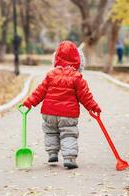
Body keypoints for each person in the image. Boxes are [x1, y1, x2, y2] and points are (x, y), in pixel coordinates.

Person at [22, 41, 101, 169]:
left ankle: (52, 153)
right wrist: (94, 107)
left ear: (56, 58)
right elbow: (85, 96)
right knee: (68, 133)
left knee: (50, 132)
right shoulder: (77, 77)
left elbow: (40, 91)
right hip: (68, 114)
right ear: (78, 60)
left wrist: (29, 102)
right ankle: (69, 158)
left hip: (49, 112)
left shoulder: (51, 75)